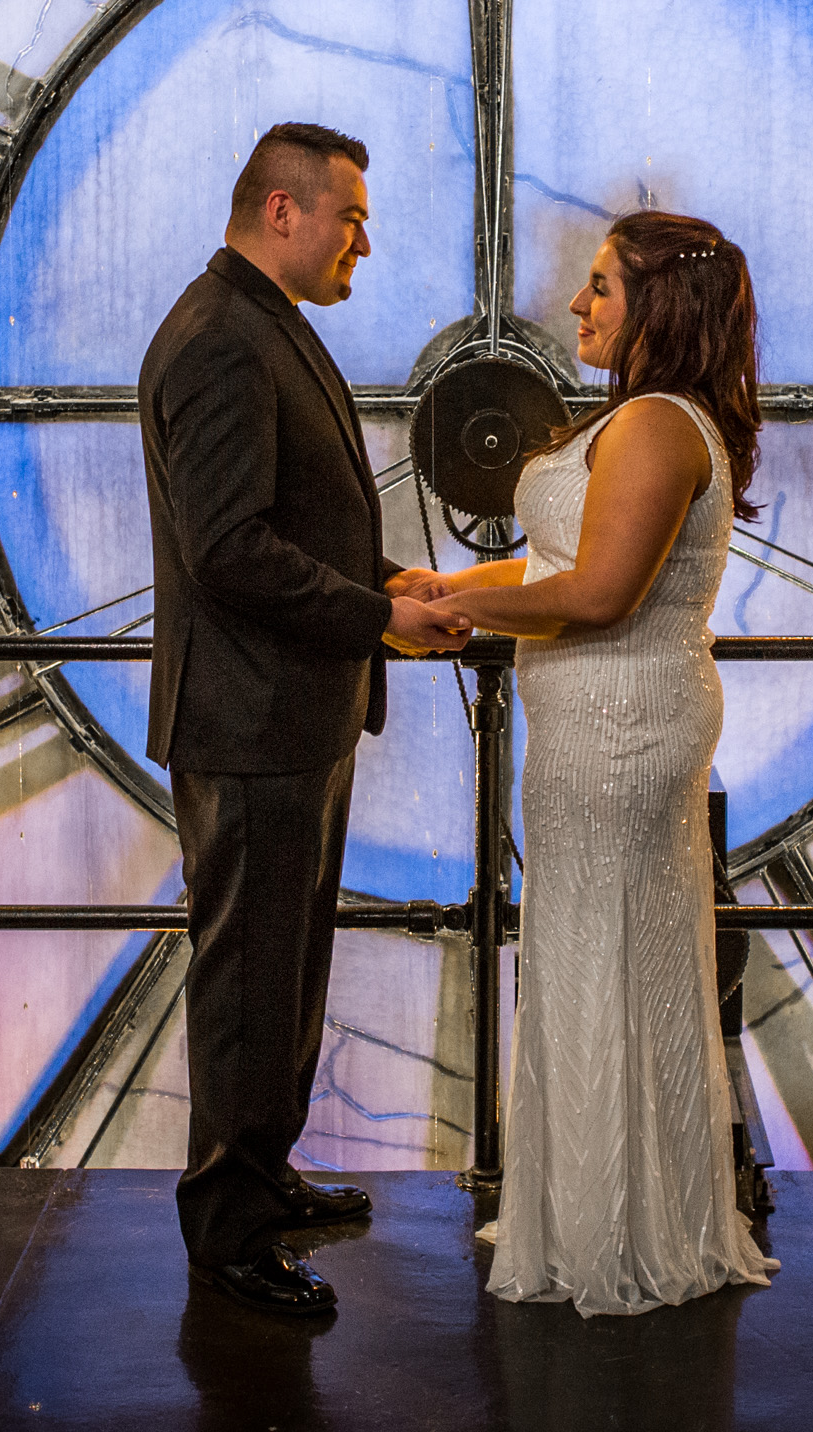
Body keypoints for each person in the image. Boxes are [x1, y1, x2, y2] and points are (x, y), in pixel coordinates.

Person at [140, 121, 469, 1319]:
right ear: (284, 210)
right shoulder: (224, 338)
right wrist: (375, 616)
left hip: (285, 716)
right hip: (255, 720)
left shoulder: (249, 322)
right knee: (249, 981)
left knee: (280, 970)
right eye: (351, 217)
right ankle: (228, 1233)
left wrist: (385, 581)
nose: (363, 243)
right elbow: (227, 552)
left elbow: (290, 523)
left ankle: (262, 1176)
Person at [435, 209, 779, 1318]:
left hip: (619, 727)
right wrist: (438, 590)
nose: (575, 306)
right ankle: (615, 1204)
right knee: (597, 949)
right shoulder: (646, 421)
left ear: (657, 306)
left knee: (599, 948)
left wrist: (450, 613)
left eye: (598, 287)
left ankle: (614, 1222)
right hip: (601, 722)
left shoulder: (654, 428)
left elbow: (594, 593)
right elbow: (551, 563)